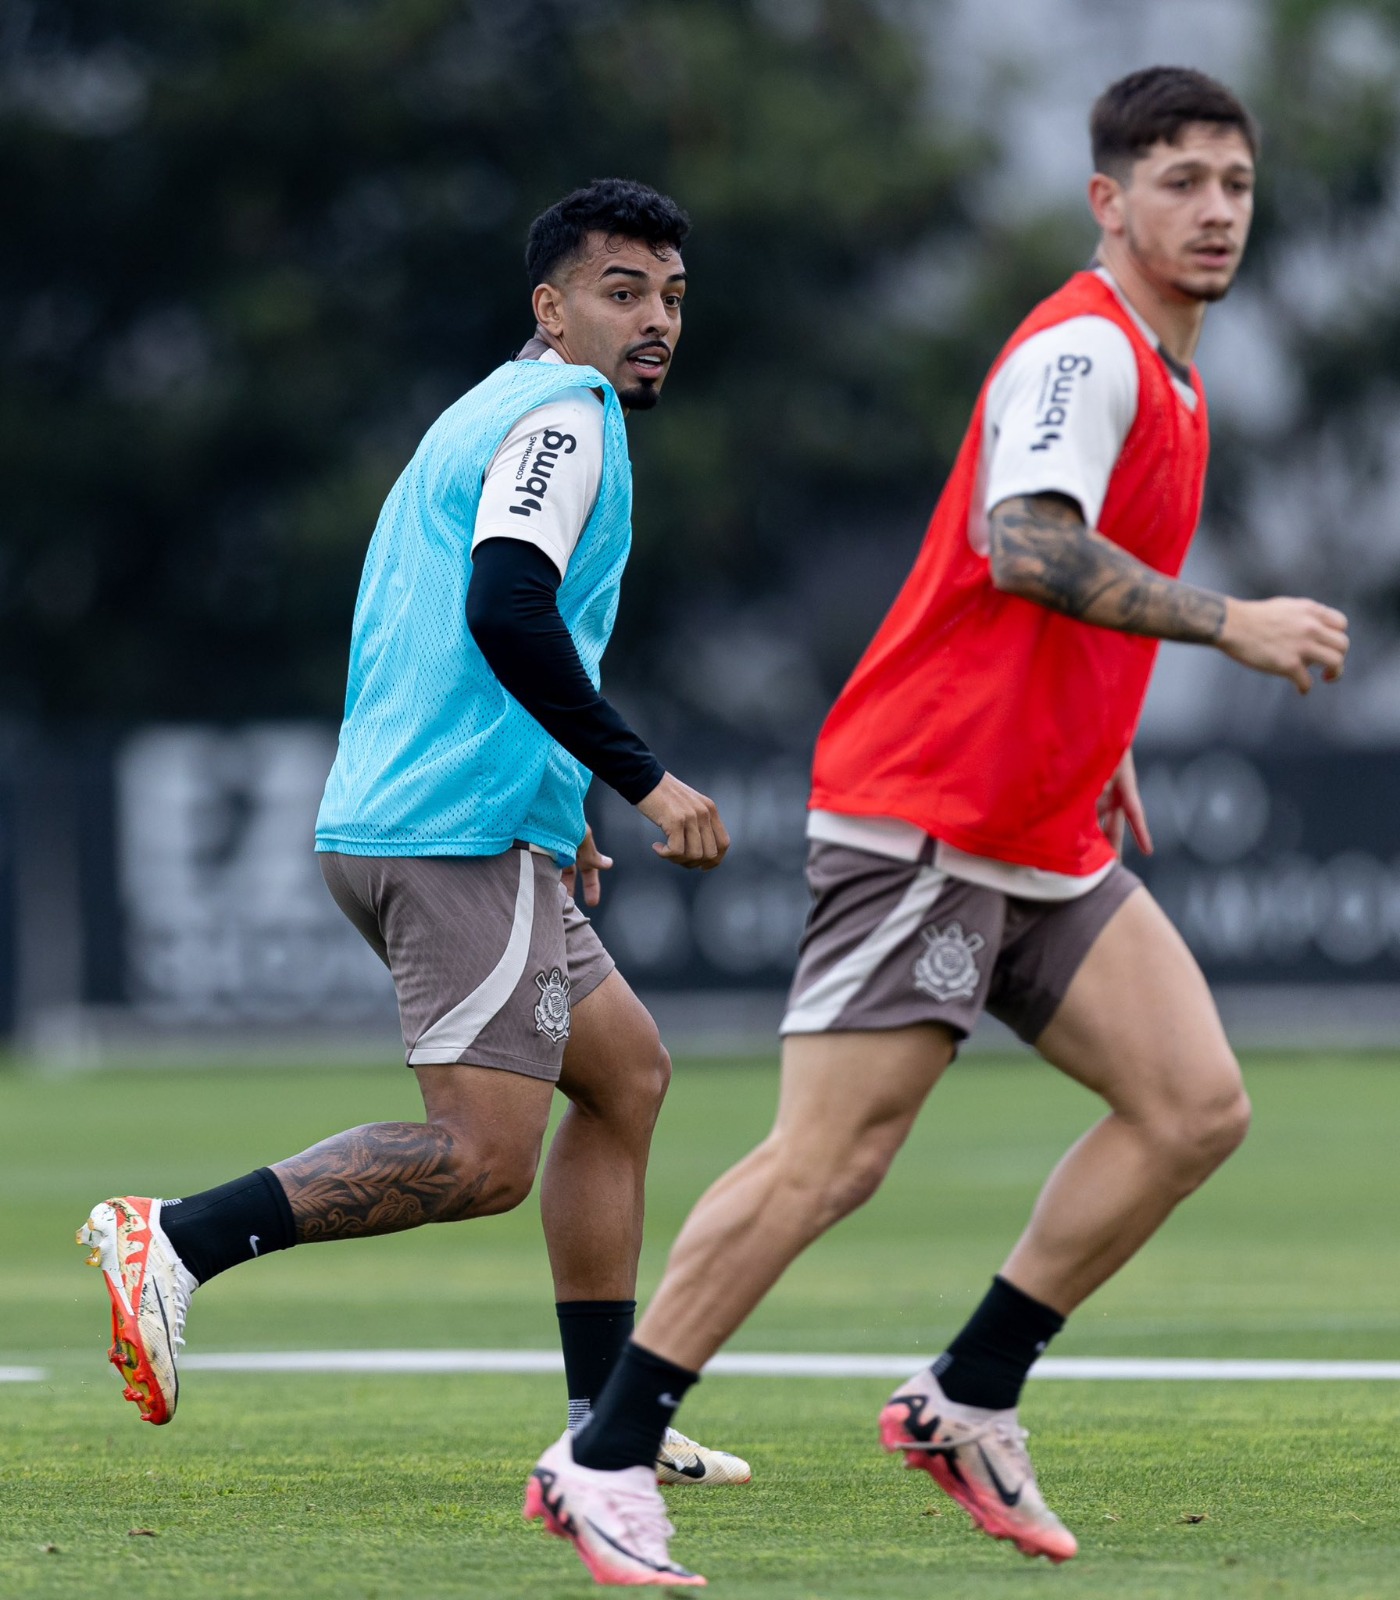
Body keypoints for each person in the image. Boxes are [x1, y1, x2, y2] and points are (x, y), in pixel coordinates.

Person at [524, 70, 1351, 1586]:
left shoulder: (1176, 376)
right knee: (829, 1161)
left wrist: (1097, 740)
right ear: (1110, 202)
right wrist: (1228, 623)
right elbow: (1023, 541)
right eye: (1179, 181)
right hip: (925, 811)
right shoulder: (1085, 347)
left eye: (1234, 181)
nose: (1215, 208)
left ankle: (965, 1396)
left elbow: (1062, 595)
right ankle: (608, 1452)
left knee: (1193, 1106)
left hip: (1039, 818)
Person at [77, 177, 752, 1490]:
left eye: (672, 296)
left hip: (461, 819)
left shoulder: (483, 409)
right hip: (453, 838)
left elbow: (446, 623)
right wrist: (637, 777)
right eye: (622, 294)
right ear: (551, 309)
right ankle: (178, 1238)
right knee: (483, 1160)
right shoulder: (567, 411)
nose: (654, 320)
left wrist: (560, 798)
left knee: (626, 1079)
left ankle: (607, 1424)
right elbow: (507, 605)